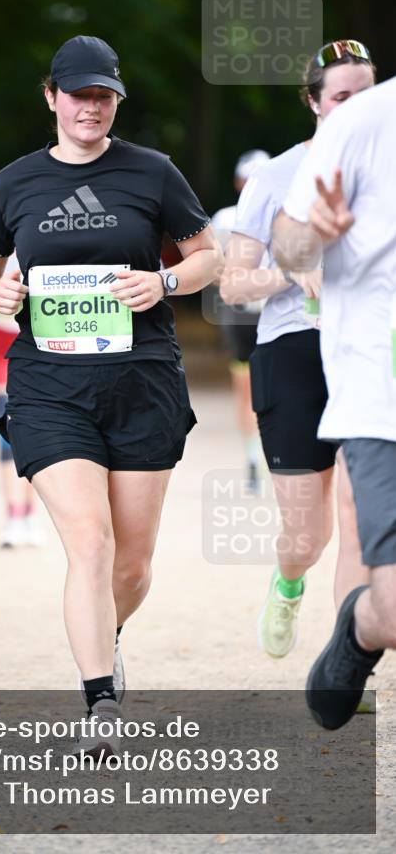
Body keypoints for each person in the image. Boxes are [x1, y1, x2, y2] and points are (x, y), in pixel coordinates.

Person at [0, 35, 221, 755]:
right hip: (48, 382)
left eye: (103, 96)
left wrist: (163, 281)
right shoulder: (15, 181)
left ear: (114, 101)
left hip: (141, 378)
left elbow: (208, 255)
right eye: (78, 95)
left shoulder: (152, 172)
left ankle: (102, 634)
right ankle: (100, 702)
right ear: (52, 98)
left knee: (130, 565)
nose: (91, 108)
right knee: (89, 539)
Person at [220, 40, 375, 659]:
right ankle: (288, 584)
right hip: (293, 350)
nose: (355, 108)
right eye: (341, 96)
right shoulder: (276, 175)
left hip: (367, 351)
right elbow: (233, 284)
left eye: (366, 94)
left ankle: (345, 656)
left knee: (362, 517)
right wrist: (292, 271)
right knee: (307, 534)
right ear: (314, 102)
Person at [272, 75, 396, 730]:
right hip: (383, 395)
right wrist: (312, 234)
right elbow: (287, 240)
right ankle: (362, 625)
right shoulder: (365, 120)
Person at [210, 149, 270, 490]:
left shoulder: (287, 214)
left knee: (277, 389)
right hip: (244, 316)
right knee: (247, 391)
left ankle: (270, 457)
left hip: (277, 314)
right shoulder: (224, 220)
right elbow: (213, 264)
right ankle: (252, 459)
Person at [0, 254, 41, 548]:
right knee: (7, 441)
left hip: (42, 357)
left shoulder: (53, 249)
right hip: (0, 356)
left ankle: (30, 514)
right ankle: (13, 516)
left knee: (36, 442)